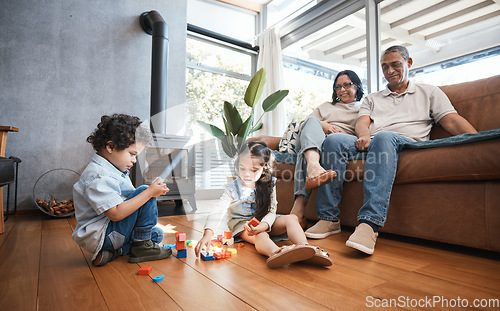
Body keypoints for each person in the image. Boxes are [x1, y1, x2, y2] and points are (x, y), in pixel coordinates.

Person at [306, 45, 477, 254]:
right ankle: (328, 218)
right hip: (375, 141)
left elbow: (451, 120)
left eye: (395, 64)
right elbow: (362, 122)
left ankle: (369, 224)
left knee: (384, 136)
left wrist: (477, 140)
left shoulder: (429, 91)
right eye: (384, 67)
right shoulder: (372, 98)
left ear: (409, 63)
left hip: (407, 142)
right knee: (333, 140)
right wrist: (363, 135)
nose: (389, 71)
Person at [194, 141, 332, 268]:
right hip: (244, 226)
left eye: (253, 170)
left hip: (267, 221)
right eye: (242, 168)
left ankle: (306, 249)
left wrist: (264, 225)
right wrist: (207, 233)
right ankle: (276, 253)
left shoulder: (270, 184)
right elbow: (218, 209)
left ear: (264, 169)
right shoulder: (232, 188)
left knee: (292, 218)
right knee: (261, 235)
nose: (246, 174)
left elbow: (272, 211)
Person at [72, 114, 172, 266]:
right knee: (144, 191)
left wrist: (149, 193)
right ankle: (140, 248)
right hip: (104, 234)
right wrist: (149, 193)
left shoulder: (112, 169)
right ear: (111, 147)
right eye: (132, 154)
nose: (134, 160)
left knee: (157, 234)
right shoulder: (99, 175)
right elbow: (116, 213)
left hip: (112, 233)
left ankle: (116, 252)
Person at [290, 70, 364, 226]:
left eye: (346, 85)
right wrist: (324, 125)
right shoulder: (325, 106)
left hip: (340, 143)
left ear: (357, 86)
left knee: (309, 151)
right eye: (338, 87)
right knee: (311, 124)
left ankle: (297, 212)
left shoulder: (364, 107)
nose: (342, 90)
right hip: (315, 138)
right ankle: (314, 165)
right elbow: (305, 125)